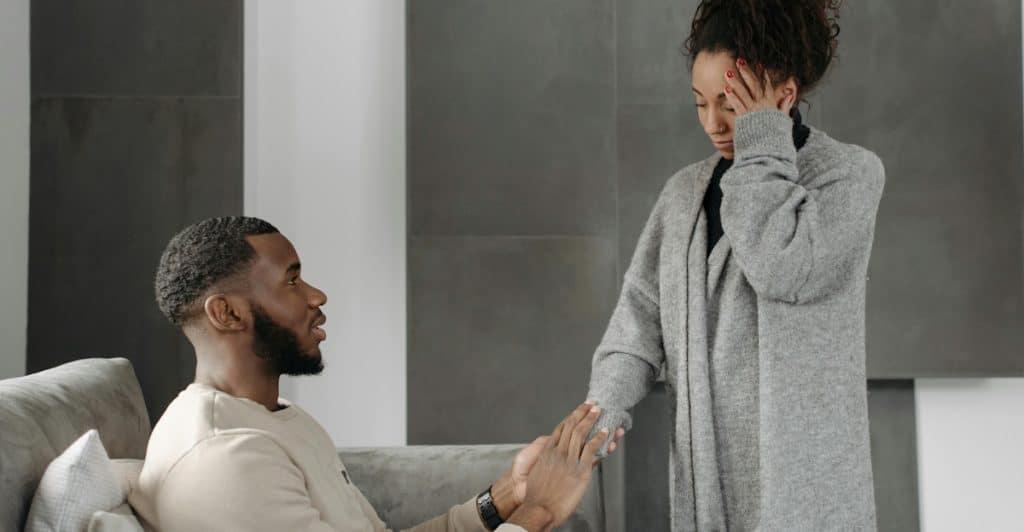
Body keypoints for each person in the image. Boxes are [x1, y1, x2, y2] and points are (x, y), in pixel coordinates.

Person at [586, 0, 883, 530]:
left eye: (729, 102)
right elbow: (639, 318)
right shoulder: (682, 194)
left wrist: (761, 143)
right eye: (700, 102)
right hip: (706, 487)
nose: (712, 123)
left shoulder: (848, 177)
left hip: (802, 490)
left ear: (783, 96)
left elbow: (782, 267)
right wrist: (600, 410)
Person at [133, 216, 623, 532]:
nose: (316, 296)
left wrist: (509, 496)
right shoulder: (224, 457)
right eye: (291, 280)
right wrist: (542, 510)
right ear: (227, 313)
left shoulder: (276, 420)